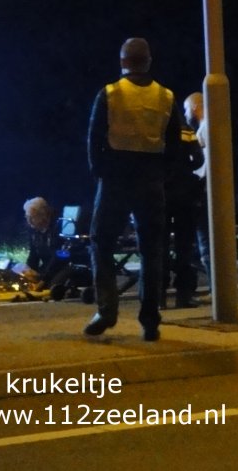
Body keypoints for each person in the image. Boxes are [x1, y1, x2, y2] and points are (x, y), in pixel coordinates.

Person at [85, 38, 180, 341]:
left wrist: (101, 173)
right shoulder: (166, 97)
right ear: (148, 61)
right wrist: (163, 176)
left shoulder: (110, 93)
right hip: (151, 180)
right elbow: (175, 144)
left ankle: (107, 310)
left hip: (115, 179)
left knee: (101, 242)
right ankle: (150, 320)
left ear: (123, 62)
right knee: (152, 250)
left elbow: (94, 138)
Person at [163, 119, 204, 308]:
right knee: (184, 247)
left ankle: (158, 296)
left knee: (157, 246)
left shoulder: (153, 127)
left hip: (158, 192)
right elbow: (199, 159)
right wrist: (185, 170)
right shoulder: (186, 130)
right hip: (184, 193)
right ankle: (183, 295)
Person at [184, 92, 212, 296]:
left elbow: (206, 165)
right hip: (208, 189)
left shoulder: (204, 129)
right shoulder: (210, 126)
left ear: (194, 107)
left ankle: (216, 288)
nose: (185, 114)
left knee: (206, 243)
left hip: (205, 191)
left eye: (186, 109)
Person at [22, 197, 69, 291]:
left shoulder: (57, 228)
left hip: (60, 267)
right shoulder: (34, 232)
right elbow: (33, 255)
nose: (29, 221)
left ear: (43, 215)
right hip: (46, 268)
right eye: (27, 217)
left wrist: (44, 280)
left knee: (51, 287)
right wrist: (29, 271)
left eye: (32, 217)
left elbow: (59, 257)